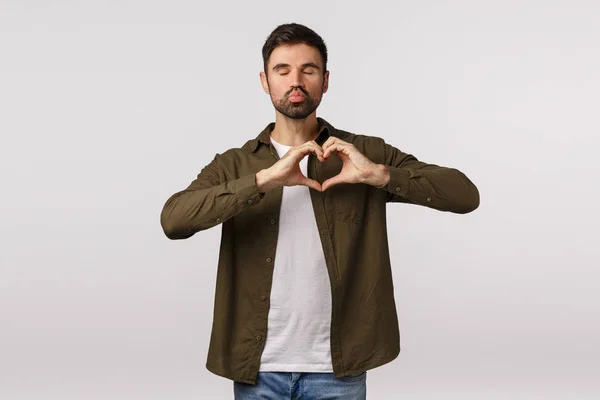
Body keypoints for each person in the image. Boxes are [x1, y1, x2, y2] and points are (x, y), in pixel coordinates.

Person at [160, 22, 479, 400]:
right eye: (283, 70)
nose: (296, 80)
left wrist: (378, 174)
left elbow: (464, 195)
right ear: (265, 81)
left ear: (325, 81)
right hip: (258, 369)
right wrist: (262, 181)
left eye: (308, 70)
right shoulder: (236, 164)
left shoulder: (361, 153)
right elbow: (174, 220)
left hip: (338, 372)